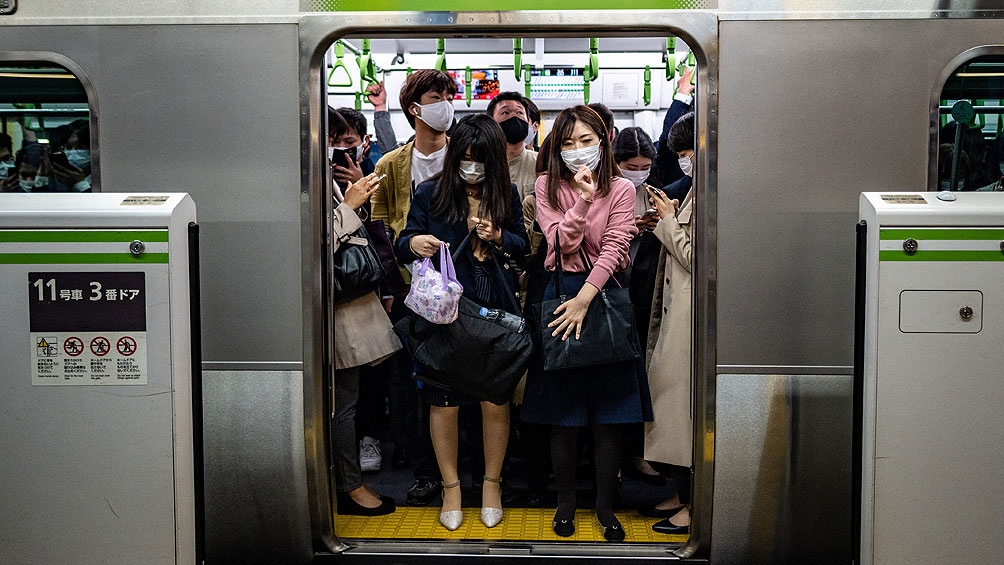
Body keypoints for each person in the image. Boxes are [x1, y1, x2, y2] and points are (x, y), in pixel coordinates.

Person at [521, 105, 651, 542]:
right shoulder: (545, 185)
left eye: (586, 141)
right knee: (565, 415)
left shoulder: (621, 190)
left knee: (608, 418)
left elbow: (616, 246)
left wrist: (585, 299)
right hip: (562, 298)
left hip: (603, 297)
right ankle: (565, 504)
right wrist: (581, 199)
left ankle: (603, 506)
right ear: (556, 148)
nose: (578, 151)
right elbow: (558, 240)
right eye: (568, 143)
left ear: (604, 141)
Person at [394, 114, 529, 530]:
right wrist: (415, 242)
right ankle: (451, 487)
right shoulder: (432, 193)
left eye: (481, 160)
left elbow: (524, 249)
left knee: (495, 399)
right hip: (446, 310)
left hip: (489, 307)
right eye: (466, 159)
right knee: (444, 403)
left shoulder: (506, 193)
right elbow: (403, 242)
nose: (472, 167)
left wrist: (500, 237)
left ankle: (492, 484)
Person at [371, 69, 460, 506]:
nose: (446, 101)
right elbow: (382, 230)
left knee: (467, 384)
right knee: (419, 387)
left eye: (449, 94)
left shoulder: (468, 156)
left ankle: (467, 473)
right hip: (414, 292)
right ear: (414, 108)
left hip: (466, 291)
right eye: (436, 95)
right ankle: (427, 472)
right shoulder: (391, 165)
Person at [330, 172, 402, 516]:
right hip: (331, 312)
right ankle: (348, 486)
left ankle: (348, 480)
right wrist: (348, 206)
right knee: (342, 404)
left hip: (343, 308)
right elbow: (312, 248)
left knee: (348, 401)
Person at [641, 111, 695, 535]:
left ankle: (696, 505)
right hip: (677, 311)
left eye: (690, 151)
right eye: (680, 154)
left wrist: (666, 221)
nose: (685, 161)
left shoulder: (715, 194)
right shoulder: (697, 190)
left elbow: (696, 257)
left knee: (680, 406)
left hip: (693, 318)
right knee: (668, 401)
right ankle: (684, 493)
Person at [613, 126, 666, 486]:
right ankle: (611, 457)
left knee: (643, 379)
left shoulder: (656, 194)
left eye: (644, 165)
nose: (638, 171)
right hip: (612, 288)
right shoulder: (603, 193)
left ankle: (640, 452)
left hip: (644, 290)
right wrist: (633, 226)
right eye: (630, 165)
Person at [486, 91, 539, 202]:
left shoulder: (541, 162)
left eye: (519, 112)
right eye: (505, 113)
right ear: (492, 122)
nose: (514, 116)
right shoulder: (482, 164)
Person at [48, 119, 92, 192]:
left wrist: (81, 185)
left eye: (80, 147)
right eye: (67, 147)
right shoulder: (59, 180)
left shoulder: (105, 180)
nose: (72, 152)